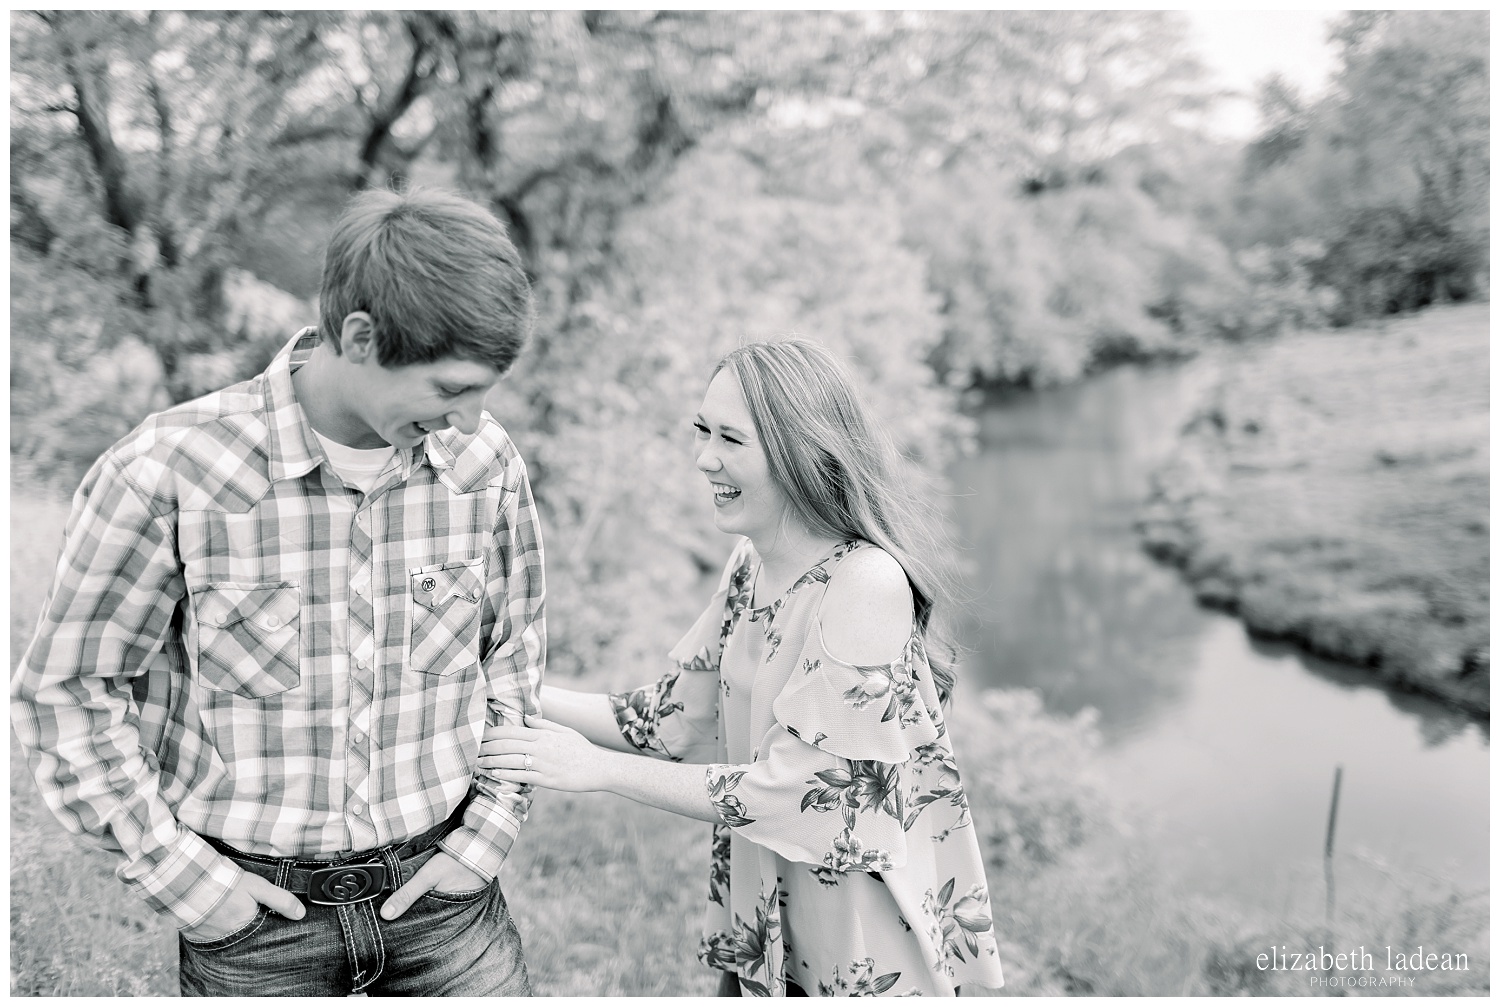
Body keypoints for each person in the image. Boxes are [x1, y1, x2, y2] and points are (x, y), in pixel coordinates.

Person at [12, 187, 544, 996]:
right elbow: (69, 692)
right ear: (361, 337)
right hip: (255, 931)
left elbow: (511, 653)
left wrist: (489, 833)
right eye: (449, 390)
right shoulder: (169, 469)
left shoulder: (485, 466)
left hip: (449, 909)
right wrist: (189, 882)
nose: (471, 420)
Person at [481, 339, 1006, 996]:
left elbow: (806, 799)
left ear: (799, 453)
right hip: (768, 928)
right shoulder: (750, 566)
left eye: (731, 438)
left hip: (863, 948)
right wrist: (503, 689)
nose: (705, 457)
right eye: (702, 431)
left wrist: (599, 770)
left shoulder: (866, 581)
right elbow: (669, 720)